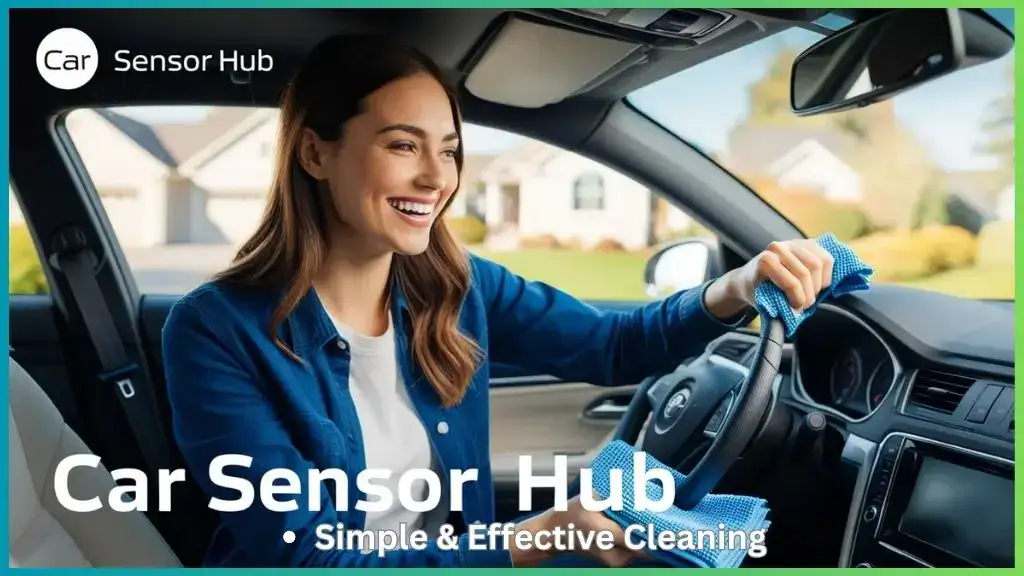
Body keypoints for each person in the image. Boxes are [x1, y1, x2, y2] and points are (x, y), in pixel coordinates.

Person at [161, 34, 835, 569]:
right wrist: (534, 538)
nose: (437, 178)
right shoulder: (214, 330)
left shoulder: (458, 285)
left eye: (450, 152)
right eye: (403, 145)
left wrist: (738, 286)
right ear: (315, 152)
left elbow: (615, 346)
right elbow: (304, 555)